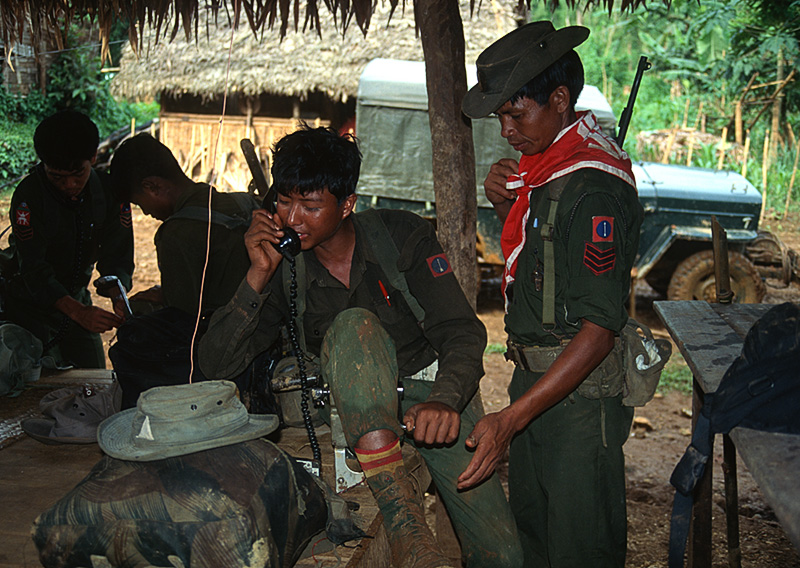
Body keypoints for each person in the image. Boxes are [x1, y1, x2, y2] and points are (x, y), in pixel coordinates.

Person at [198, 126, 522, 568]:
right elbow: (213, 366)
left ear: (346, 205)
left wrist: (446, 401)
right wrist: (257, 276)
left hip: (429, 397)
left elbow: (462, 332)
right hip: (343, 409)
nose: (293, 220)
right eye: (284, 202)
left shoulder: (400, 236)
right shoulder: (281, 266)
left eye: (311, 206)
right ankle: (405, 523)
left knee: (502, 553)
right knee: (354, 326)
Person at [458, 21, 645, 568]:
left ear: (560, 101)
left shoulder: (592, 187)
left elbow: (597, 330)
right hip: (538, 381)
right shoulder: (549, 172)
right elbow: (546, 272)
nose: (507, 132)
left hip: (579, 396)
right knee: (536, 536)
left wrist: (512, 418)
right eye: (501, 118)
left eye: (517, 115)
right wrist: (505, 205)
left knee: (579, 544)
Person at [0, 110, 134, 368]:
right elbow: (33, 269)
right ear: (44, 164)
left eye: (78, 174)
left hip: (77, 299)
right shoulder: (29, 197)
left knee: (94, 376)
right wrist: (79, 313)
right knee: (38, 382)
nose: (70, 185)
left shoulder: (108, 193)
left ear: (93, 158)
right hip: (29, 308)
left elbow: (118, 255)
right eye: (57, 177)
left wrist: (119, 296)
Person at [110, 133, 259, 315]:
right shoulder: (242, 203)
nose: (147, 213)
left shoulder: (176, 234)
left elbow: (182, 321)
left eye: (140, 204)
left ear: (152, 187)